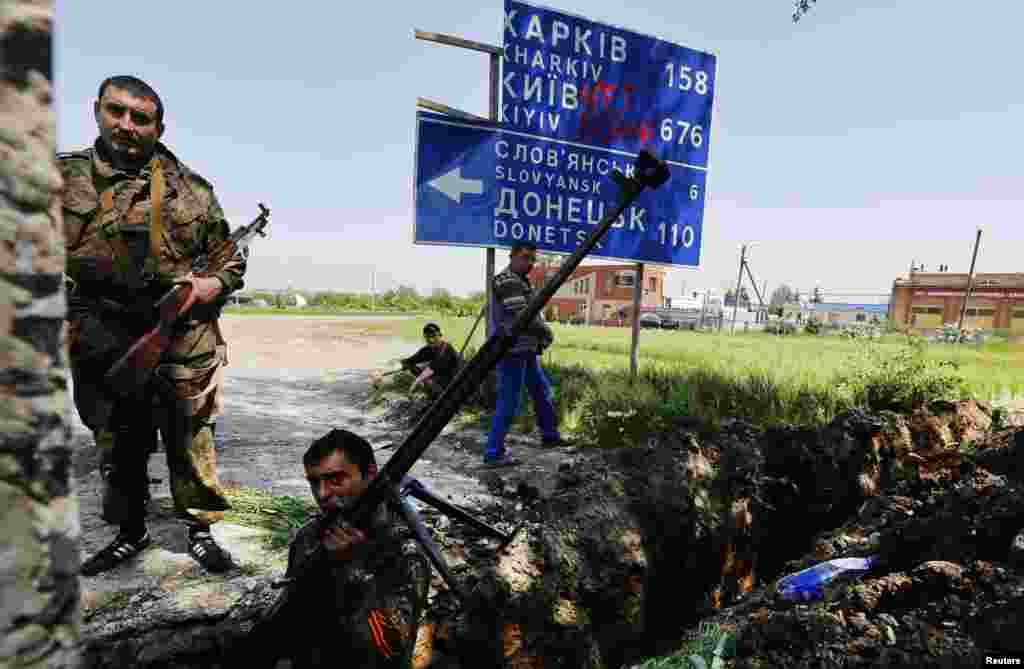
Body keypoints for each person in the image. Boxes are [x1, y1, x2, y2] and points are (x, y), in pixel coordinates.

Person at [59, 75, 245, 575]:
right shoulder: (60, 179)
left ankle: (200, 529)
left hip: (182, 331)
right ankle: (130, 531)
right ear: (97, 109)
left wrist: (208, 287)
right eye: (116, 112)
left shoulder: (194, 190)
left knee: (191, 436)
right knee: (117, 440)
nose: (126, 125)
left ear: (159, 126)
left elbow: (230, 261)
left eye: (140, 118)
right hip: (102, 335)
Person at [243, 429, 431, 668]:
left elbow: (390, 648)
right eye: (314, 482)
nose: (322, 494)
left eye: (335, 479)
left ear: (370, 474)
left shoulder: (403, 549)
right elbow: (291, 617)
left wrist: (353, 570)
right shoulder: (311, 537)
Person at [484, 242, 567, 467]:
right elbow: (524, 316)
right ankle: (493, 453)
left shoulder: (520, 280)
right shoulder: (507, 280)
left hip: (525, 349)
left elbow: (528, 316)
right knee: (509, 402)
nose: (529, 263)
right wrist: (546, 333)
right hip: (510, 350)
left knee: (541, 392)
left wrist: (539, 338)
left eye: (532, 259)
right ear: (512, 257)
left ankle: (550, 436)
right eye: (525, 257)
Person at [399, 323, 461, 395]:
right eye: (428, 337)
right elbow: (409, 361)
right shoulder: (427, 349)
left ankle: (434, 392)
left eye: (434, 336)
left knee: (426, 378)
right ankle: (428, 389)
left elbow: (433, 367)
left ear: (440, 335)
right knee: (411, 366)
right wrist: (403, 365)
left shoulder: (446, 348)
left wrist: (416, 382)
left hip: (454, 381)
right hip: (439, 377)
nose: (431, 340)